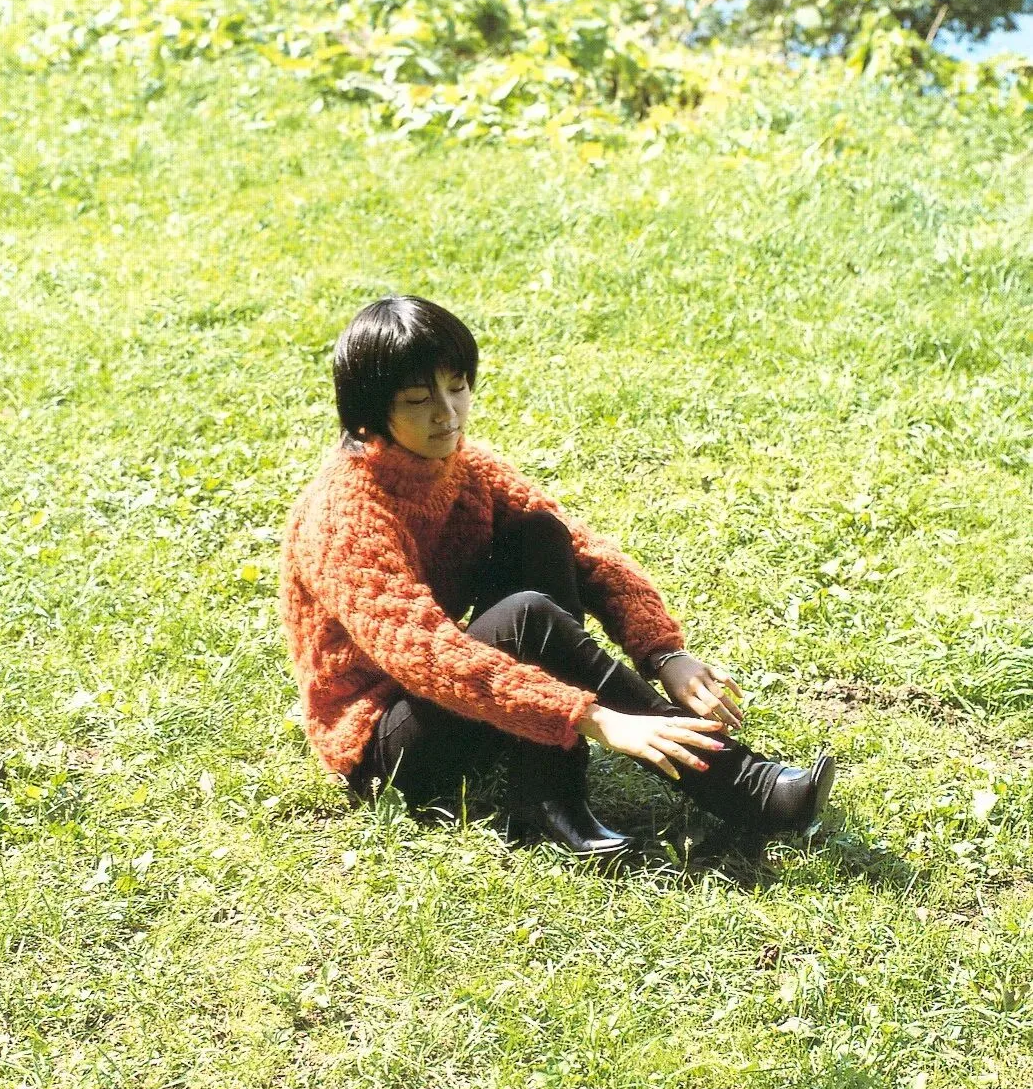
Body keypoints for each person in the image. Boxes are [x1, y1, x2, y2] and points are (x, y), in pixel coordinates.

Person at [278, 295, 835, 858]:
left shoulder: (465, 467)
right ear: (370, 410)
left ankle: (547, 793)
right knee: (526, 617)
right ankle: (742, 787)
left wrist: (664, 653)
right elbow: (423, 652)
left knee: (542, 535)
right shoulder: (344, 511)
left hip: (457, 700)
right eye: (419, 400)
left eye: (457, 387)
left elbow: (586, 552)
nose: (447, 414)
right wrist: (593, 717)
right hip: (388, 746)